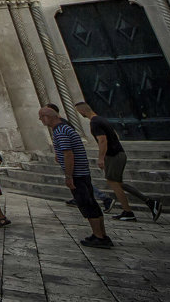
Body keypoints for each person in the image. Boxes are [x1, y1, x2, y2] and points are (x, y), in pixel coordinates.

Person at [74, 101, 162, 222]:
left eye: (79, 112)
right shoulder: (102, 119)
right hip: (119, 153)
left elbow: (102, 140)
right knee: (119, 184)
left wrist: (101, 158)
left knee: (113, 182)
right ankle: (150, 202)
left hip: (114, 155)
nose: (80, 114)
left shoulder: (95, 122)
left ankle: (128, 211)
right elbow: (116, 135)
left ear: (83, 111)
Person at [40, 106, 111, 248]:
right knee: (91, 203)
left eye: (41, 117)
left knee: (86, 204)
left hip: (77, 174)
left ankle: (99, 236)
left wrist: (68, 176)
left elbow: (68, 154)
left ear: (48, 117)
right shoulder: (66, 128)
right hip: (82, 172)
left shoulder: (60, 131)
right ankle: (101, 234)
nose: (40, 120)